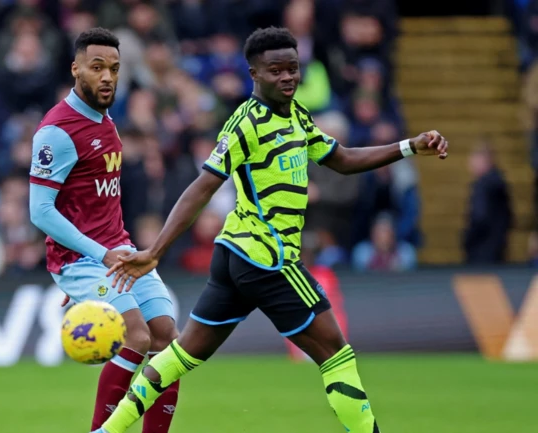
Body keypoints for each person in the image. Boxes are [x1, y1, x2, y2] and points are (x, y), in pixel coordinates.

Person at [99, 27, 449, 433]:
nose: (287, 77)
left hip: (234, 256)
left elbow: (343, 157)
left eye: (293, 69)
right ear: (254, 74)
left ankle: (107, 431)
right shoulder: (245, 124)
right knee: (336, 354)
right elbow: (203, 186)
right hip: (266, 257)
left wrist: (409, 146)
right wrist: (156, 250)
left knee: (181, 355)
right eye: (276, 70)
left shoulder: (296, 115)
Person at [28, 28, 179, 433]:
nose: (107, 76)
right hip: (87, 258)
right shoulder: (56, 132)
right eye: (97, 68)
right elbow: (40, 212)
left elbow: (98, 201)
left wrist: (111, 251)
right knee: (137, 337)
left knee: (167, 339)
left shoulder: (106, 121)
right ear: (76, 69)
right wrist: (85, 264)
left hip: (118, 250)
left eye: (114, 68)